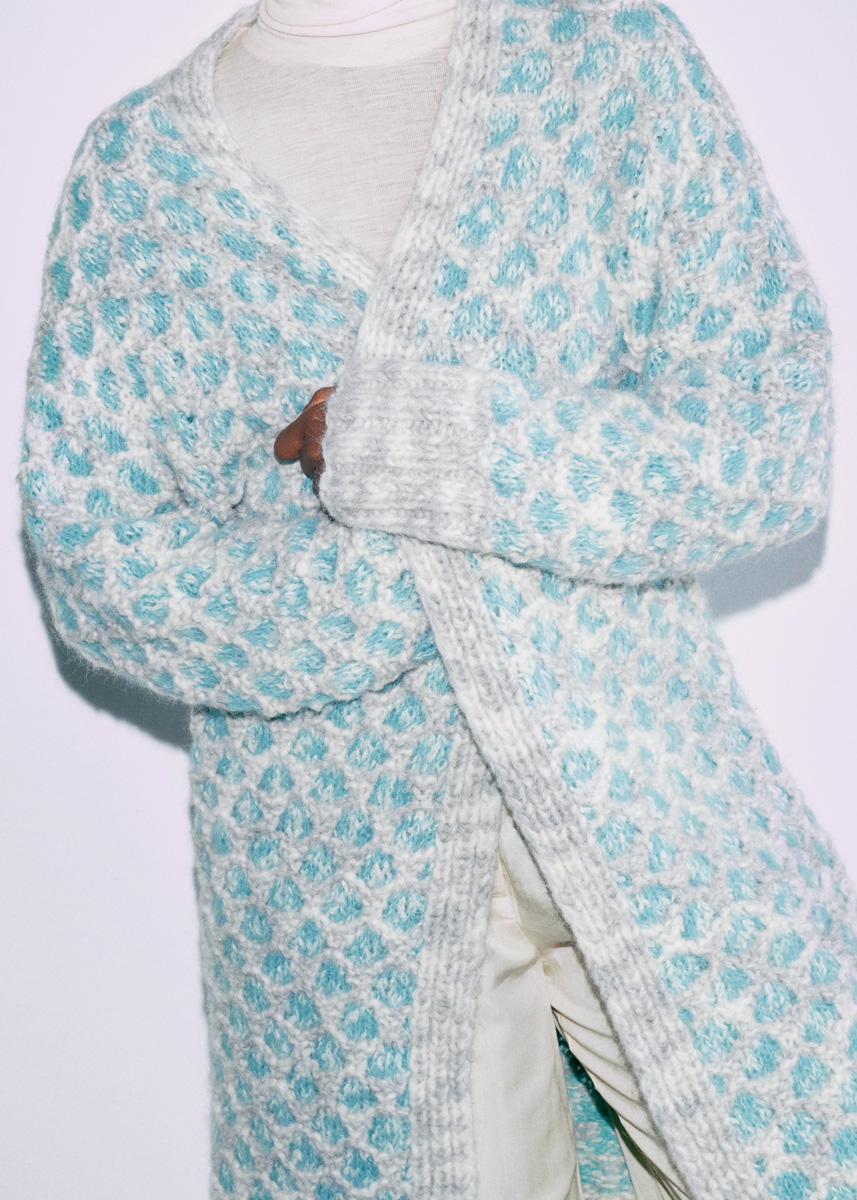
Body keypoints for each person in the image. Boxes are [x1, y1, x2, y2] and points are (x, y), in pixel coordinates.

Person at [20, 2, 854, 1199]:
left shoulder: (605, 60)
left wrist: (421, 444)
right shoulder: (140, 172)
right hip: (334, 879)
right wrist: (386, 584)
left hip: (651, 810)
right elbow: (97, 555)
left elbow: (763, 439)